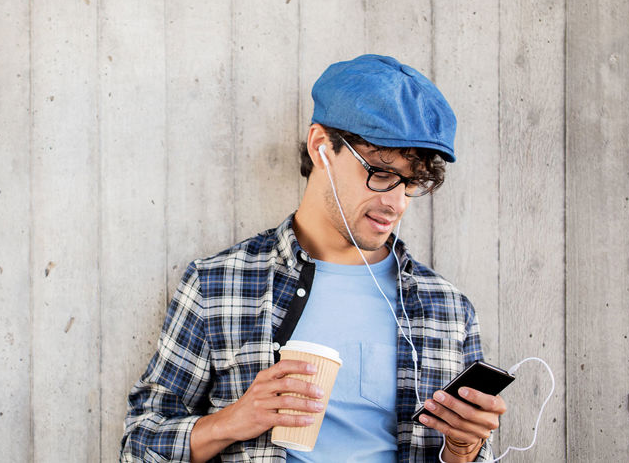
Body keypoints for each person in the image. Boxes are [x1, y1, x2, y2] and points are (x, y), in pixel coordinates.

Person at [120, 55, 507, 462]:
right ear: (321, 146)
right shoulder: (219, 283)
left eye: (411, 183)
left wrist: (463, 449)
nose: (396, 203)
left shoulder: (448, 308)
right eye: (381, 173)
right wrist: (233, 420)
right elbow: (140, 445)